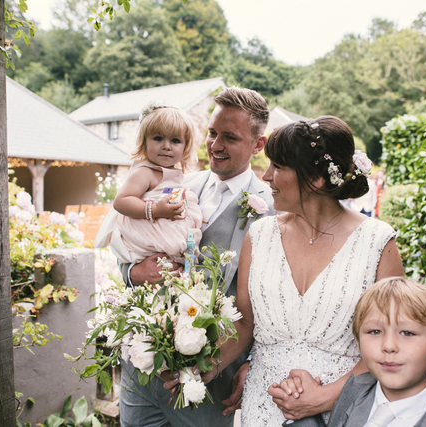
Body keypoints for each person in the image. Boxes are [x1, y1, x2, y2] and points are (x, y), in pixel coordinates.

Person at [204, 116, 405, 426]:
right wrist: (197, 368)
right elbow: (244, 326)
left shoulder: (377, 242)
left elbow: (393, 342)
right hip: (264, 407)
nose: (266, 176)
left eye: (278, 167)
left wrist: (324, 398)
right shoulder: (258, 236)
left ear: (315, 179)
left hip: (345, 409)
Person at [119, 87, 276, 427]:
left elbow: (274, 305)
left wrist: (254, 364)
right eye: (212, 133)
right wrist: (134, 273)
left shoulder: (273, 210)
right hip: (141, 371)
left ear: (258, 145)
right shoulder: (169, 182)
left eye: (230, 138)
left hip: (207, 382)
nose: (215, 146)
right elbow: (125, 240)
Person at [286, 277, 426, 427]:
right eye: (375, 331)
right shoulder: (356, 389)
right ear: (359, 341)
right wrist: (299, 404)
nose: (389, 345)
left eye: (407, 333)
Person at [95, 104, 202, 266]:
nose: (166, 146)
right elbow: (121, 201)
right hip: (147, 232)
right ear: (144, 142)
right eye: (158, 139)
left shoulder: (175, 173)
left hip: (165, 231)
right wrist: (156, 209)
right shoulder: (145, 172)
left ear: (185, 147)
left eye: (175, 140)